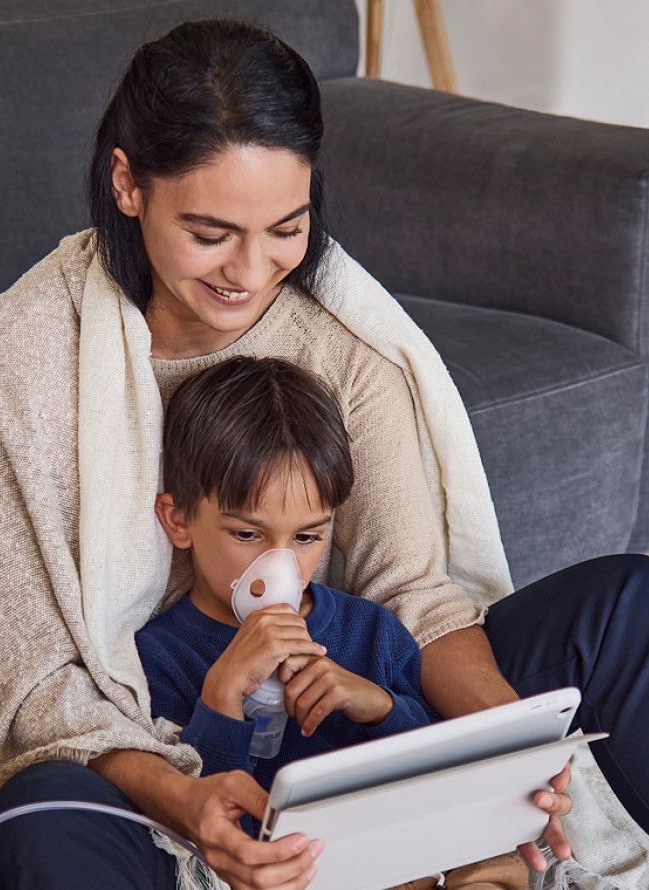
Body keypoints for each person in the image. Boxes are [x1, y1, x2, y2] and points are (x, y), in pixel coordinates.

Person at [0, 16, 649, 890]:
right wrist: (186, 799)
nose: (251, 270)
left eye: (286, 228)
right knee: (42, 806)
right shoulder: (21, 361)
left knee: (630, 598)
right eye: (211, 232)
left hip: (328, 743)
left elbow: (414, 599)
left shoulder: (342, 346)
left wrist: (512, 755)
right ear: (127, 183)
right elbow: (36, 690)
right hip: (143, 747)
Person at [135, 355, 526, 890]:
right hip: (298, 869)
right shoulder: (160, 654)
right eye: (247, 535)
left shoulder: (370, 630)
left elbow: (440, 769)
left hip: (406, 848)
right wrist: (222, 695)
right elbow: (199, 833)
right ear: (179, 520)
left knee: (491, 855)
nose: (282, 567)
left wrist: (380, 705)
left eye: (307, 537)